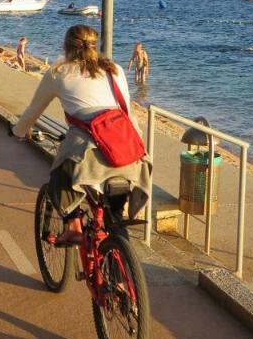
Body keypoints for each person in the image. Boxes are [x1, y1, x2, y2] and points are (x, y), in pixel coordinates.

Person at [13, 25, 150, 244]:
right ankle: (122, 269)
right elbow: (128, 112)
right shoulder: (114, 69)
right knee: (115, 219)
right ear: (95, 46)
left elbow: (33, 111)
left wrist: (18, 131)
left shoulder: (58, 73)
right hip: (129, 153)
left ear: (66, 46)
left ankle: (73, 225)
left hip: (88, 154)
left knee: (59, 173)